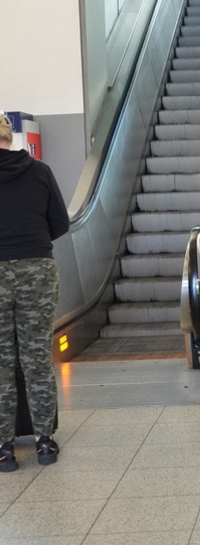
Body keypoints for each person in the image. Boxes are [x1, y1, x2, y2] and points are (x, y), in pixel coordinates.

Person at [0, 114, 69, 472]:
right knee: (37, 355)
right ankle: (45, 442)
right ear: (10, 137)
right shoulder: (39, 171)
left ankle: (4, 448)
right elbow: (60, 222)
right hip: (37, 268)